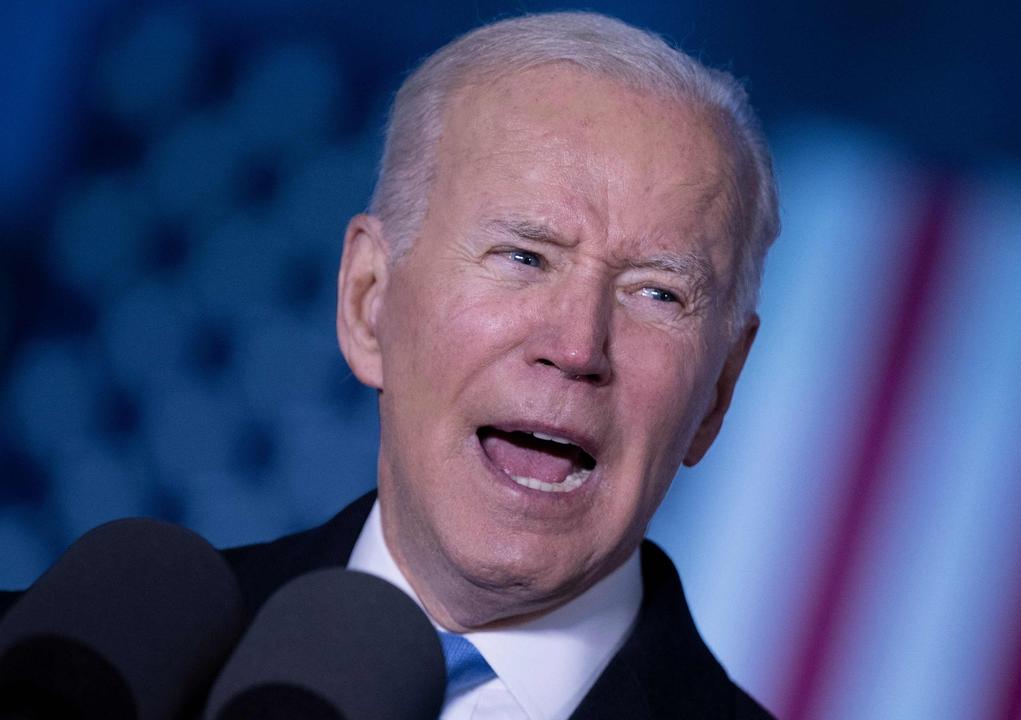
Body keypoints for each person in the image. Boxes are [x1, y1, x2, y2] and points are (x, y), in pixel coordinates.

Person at [8, 11, 781, 719]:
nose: (578, 347)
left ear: (717, 393)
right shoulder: (48, 671)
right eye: (523, 255)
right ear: (368, 300)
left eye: (656, 292)